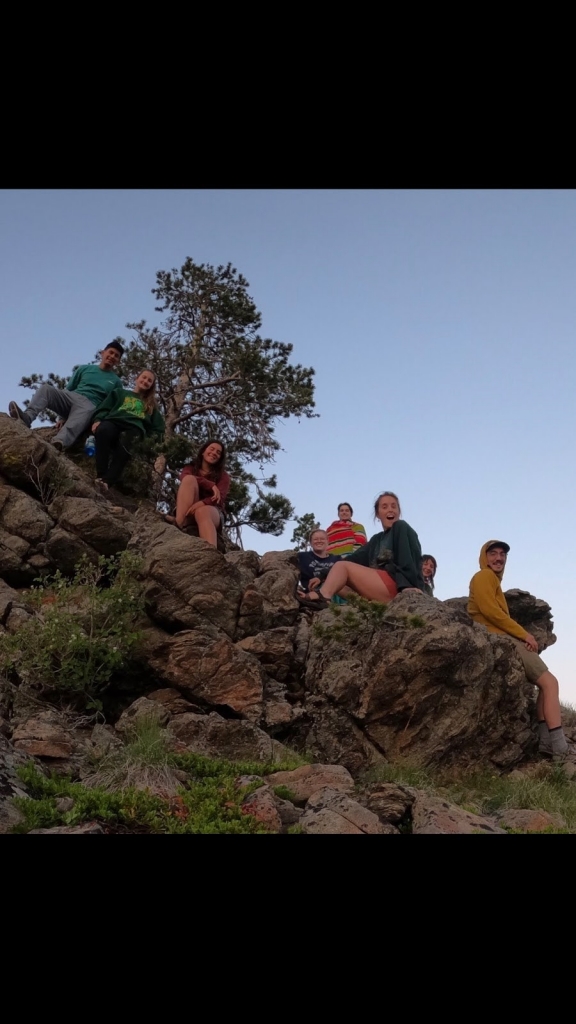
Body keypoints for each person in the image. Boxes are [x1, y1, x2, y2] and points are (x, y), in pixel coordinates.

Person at [468, 540, 570, 761]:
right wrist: (524, 634)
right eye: (493, 553)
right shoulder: (484, 576)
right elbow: (491, 612)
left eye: (502, 554)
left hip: (501, 636)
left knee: (544, 686)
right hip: (500, 636)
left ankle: (546, 744)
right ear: (483, 558)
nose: (498, 558)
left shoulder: (492, 581)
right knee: (550, 683)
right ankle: (561, 749)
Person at [298, 491, 425, 608]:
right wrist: (322, 576)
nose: (390, 510)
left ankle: (322, 598)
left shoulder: (401, 527)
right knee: (337, 581)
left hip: (397, 586)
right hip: (379, 589)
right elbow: (353, 559)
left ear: (399, 511)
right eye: (384, 507)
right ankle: (365, 607)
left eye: (394, 506)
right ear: (377, 514)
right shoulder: (376, 540)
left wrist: (407, 587)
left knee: (343, 567)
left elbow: (409, 559)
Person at [8, 341, 125, 451]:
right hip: (72, 396)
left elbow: (111, 405)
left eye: (116, 355)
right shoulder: (84, 369)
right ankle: (27, 417)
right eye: (110, 352)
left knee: (88, 409)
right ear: (103, 353)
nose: (112, 356)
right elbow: (69, 389)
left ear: (118, 361)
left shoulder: (116, 382)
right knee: (46, 389)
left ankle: (59, 442)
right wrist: (61, 418)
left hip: (90, 405)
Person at [91, 369, 165, 490]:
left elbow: (158, 428)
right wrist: (98, 420)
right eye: (144, 377)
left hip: (134, 428)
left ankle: (107, 482)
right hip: (114, 421)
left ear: (151, 386)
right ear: (137, 378)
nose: (145, 381)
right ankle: (101, 475)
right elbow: (104, 408)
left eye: (149, 381)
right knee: (103, 430)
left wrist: (147, 441)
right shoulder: (119, 393)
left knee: (126, 446)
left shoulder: (150, 406)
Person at [166, 440, 230, 548]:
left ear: (220, 458)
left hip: (212, 512)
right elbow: (184, 477)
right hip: (189, 510)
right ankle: (179, 524)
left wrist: (201, 504)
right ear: (203, 451)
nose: (214, 453)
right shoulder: (190, 468)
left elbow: (220, 498)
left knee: (202, 511)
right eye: (212, 449)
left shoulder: (223, 476)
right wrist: (210, 485)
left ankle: (211, 555)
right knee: (189, 479)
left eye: (218, 452)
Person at [297, 529, 341, 594]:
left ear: (328, 541)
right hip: (312, 593)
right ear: (311, 543)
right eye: (315, 539)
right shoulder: (302, 557)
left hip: (336, 592)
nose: (319, 541)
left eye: (322, 539)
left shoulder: (337, 559)